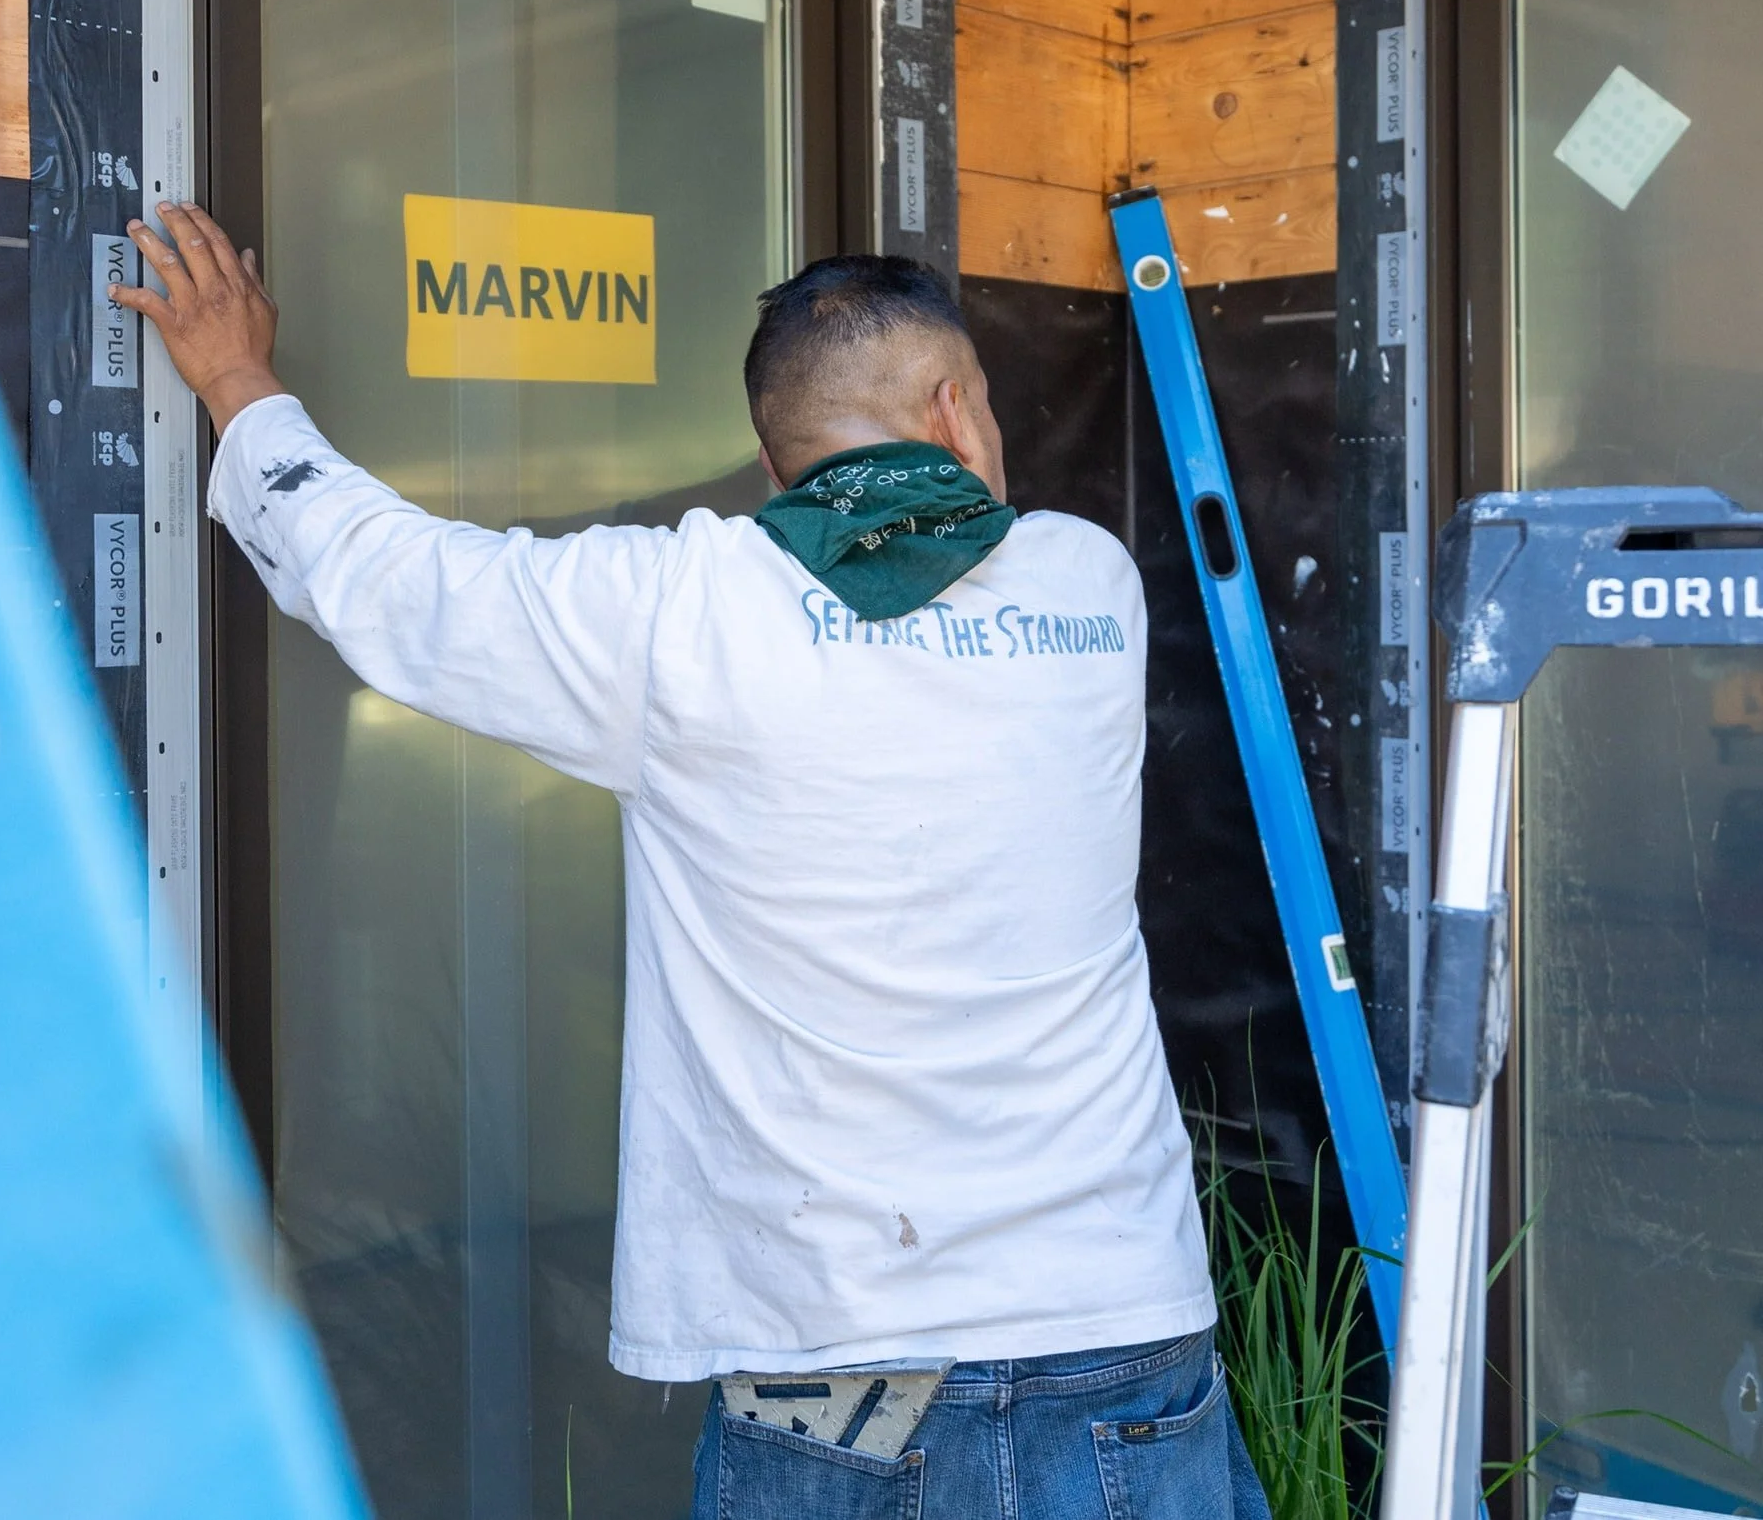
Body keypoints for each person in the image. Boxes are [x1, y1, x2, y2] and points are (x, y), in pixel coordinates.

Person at [112, 199, 1271, 1520]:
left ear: (777, 460)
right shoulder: (1087, 589)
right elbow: (905, 559)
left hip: (829, 1359)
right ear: (960, 412)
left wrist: (234, 375)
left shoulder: (675, 619)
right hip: (1112, 1331)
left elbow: (384, 579)